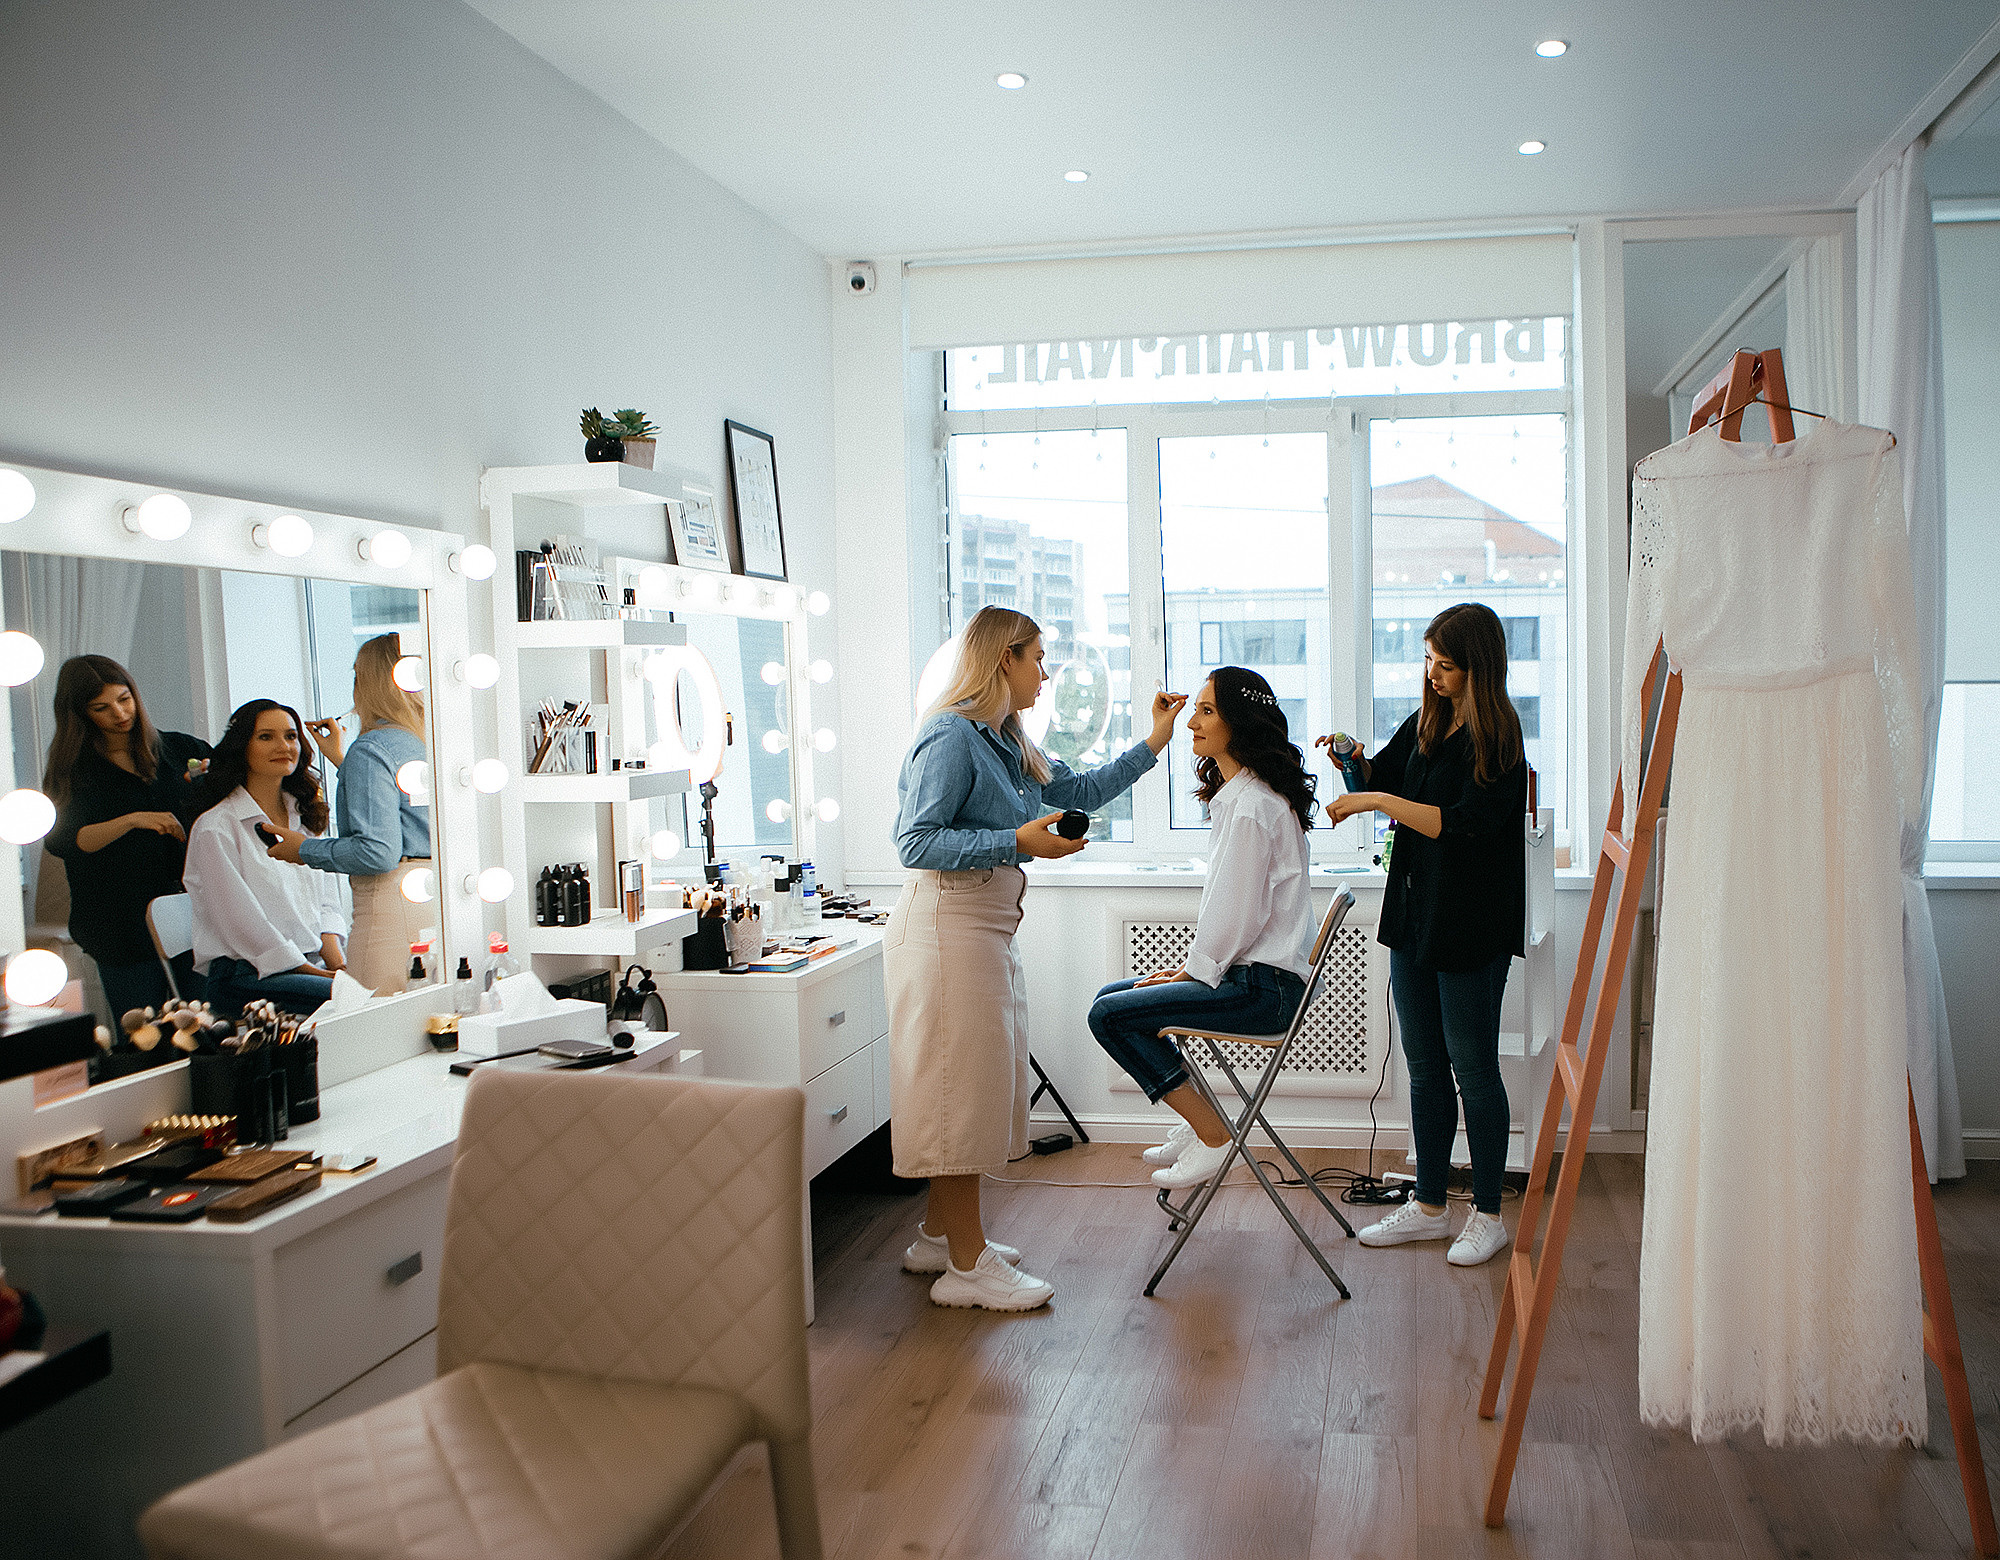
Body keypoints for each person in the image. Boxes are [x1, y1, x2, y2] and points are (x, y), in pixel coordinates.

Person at [888, 605, 1186, 1312]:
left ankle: (938, 1236)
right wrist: (1016, 842)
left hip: (982, 927)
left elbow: (1078, 792)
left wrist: (1155, 741)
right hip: (944, 929)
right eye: (1038, 658)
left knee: (969, 1086)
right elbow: (914, 842)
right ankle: (967, 1266)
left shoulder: (1005, 740)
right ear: (1003, 660)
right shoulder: (949, 738)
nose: (1046, 673)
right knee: (959, 1093)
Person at [1321, 602, 1528, 1267]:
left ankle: (1488, 1213)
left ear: (1477, 667)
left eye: (1445, 664)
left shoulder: (1500, 739)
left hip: (1472, 926)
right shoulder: (1428, 721)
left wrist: (1377, 802)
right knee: (1423, 1064)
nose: (1432, 673)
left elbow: (1457, 822)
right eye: (1429, 661)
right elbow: (1380, 776)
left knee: (1472, 1066)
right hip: (1415, 918)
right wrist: (1354, 761)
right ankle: (1432, 1204)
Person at [1089, 667, 1318, 1190]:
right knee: (1113, 996)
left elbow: (1236, 917)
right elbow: (1235, 917)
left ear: (1240, 723)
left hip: (1264, 990)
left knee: (1109, 1015)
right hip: (1256, 978)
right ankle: (1203, 1125)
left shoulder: (1251, 808)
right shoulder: (1243, 797)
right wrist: (1187, 971)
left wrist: (1188, 975)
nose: (1192, 721)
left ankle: (1214, 1135)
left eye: (1207, 711)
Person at [41, 655, 213, 1019]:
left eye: (124, 699)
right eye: (101, 707)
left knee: (209, 1026)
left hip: (196, 915)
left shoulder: (182, 751)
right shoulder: (73, 770)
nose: (120, 714)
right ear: (81, 714)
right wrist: (132, 820)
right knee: (143, 1037)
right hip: (119, 926)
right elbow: (62, 840)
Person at [263, 634, 431, 993]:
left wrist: (304, 850)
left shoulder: (371, 751)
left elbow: (378, 852)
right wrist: (344, 762)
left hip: (390, 911)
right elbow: (407, 808)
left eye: (357, 676)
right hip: (432, 904)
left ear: (368, 683)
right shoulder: (426, 741)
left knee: (374, 1031)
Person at [183, 700, 348, 1017]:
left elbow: (327, 904)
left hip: (306, 964)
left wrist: (338, 965)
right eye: (266, 737)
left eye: (290, 736)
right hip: (244, 975)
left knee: (374, 993)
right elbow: (244, 924)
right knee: (351, 1002)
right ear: (241, 747)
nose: (284, 746)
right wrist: (324, 978)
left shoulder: (304, 818)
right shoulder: (216, 828)